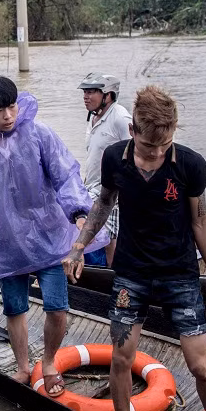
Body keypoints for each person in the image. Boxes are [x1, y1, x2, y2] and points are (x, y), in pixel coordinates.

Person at [62, 86, 206, 411]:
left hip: (180, 274)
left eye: (163, 146)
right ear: (132, 130)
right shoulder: (114, 158)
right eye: (148, 145)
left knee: (201, 366)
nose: (155, 153)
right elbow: (104, 202)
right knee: (122, 359)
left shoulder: (191, 165)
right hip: (131, 274)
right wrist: (78, 246)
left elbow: (200, 223)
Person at [0, 76, 108, 396]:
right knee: (15, 308)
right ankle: (23, 365)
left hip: (50, 236)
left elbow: (66, 174)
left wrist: (79, 213)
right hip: (8, 240)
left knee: (57, 306)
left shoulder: (40, 134)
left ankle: (50, 362)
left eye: (12, 106)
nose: (9, 115)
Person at [78, 73, 131, 267]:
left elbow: (134, 153)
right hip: (92, 185)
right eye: (85, 92)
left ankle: (112, 275)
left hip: (111, 188)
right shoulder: (92, 117)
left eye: (91, 92)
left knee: (110, 235)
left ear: (108, 96)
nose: (86, 96)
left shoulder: (120, 118)